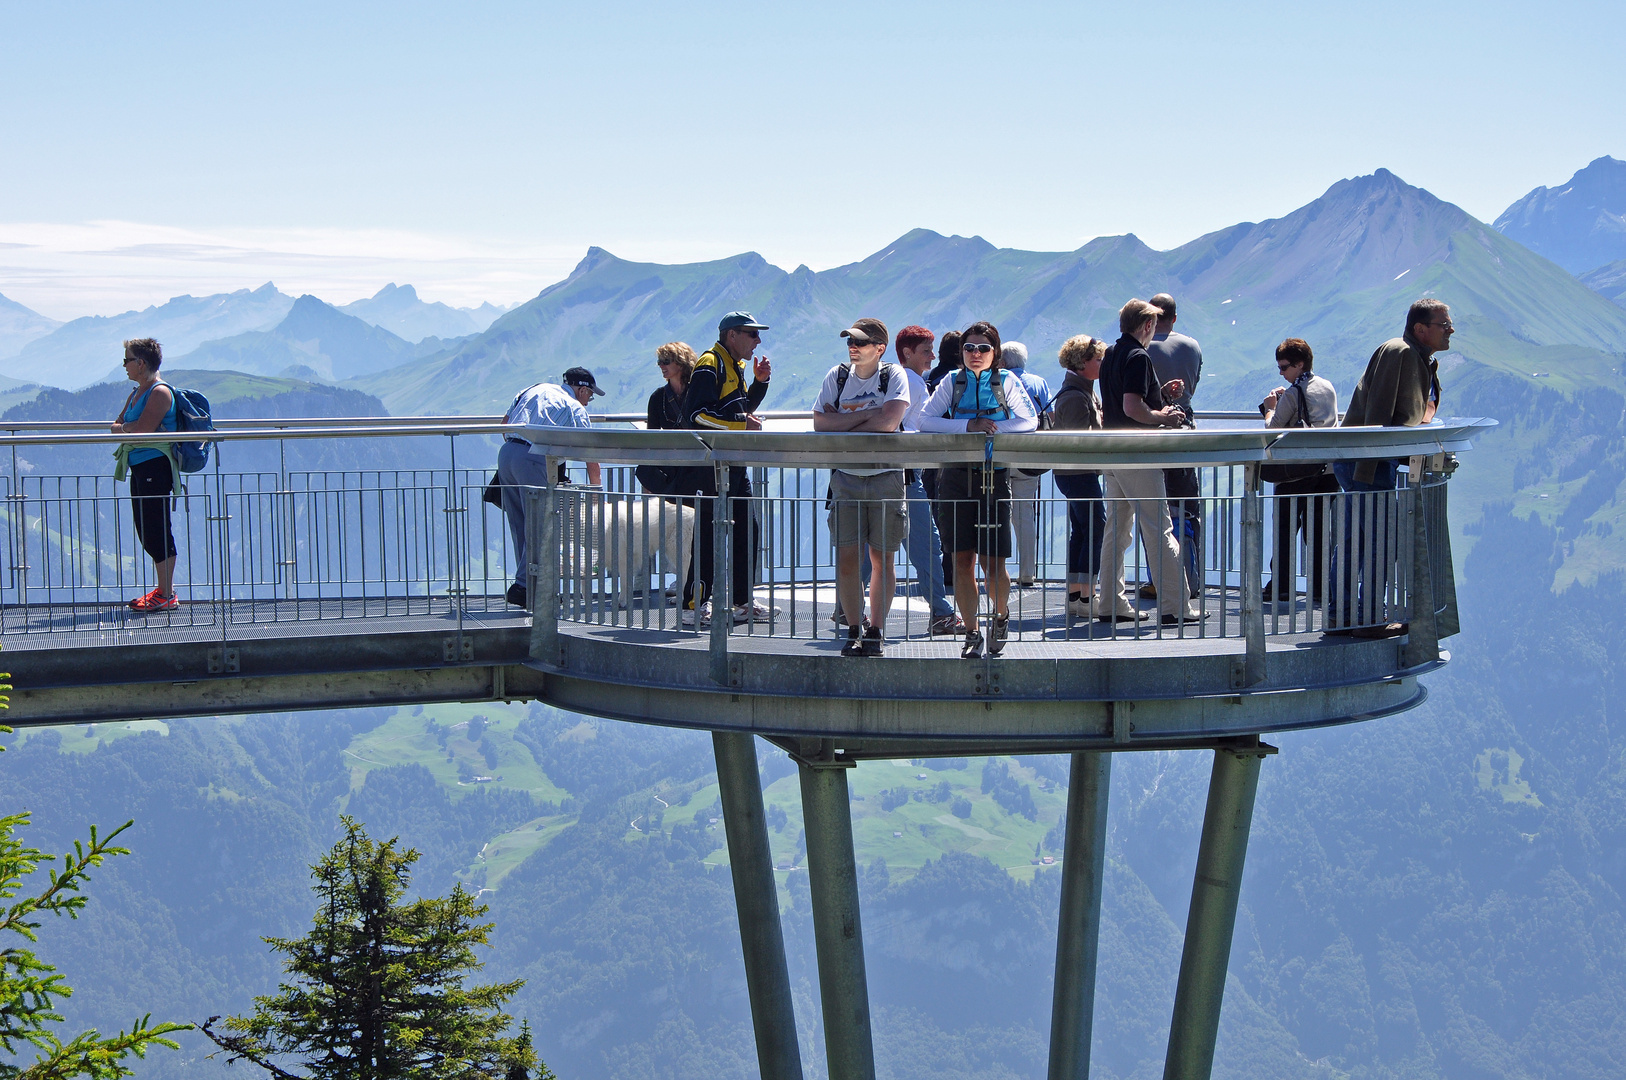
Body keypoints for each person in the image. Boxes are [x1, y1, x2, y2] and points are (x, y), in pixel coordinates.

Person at [918, 321, 1038, 658]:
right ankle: (971, 632)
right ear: (962, 352)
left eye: (983, 348)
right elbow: (925, 420)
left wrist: (994, 429)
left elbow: (1029, 421)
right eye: (969, 348)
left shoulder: (1007, 382)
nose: (975, 354)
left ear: (995, 353)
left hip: (994, 478)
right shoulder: (951, 382)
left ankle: (1000, 617)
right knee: (961, 561)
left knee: (993, 562)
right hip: (955, 478)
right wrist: (969, 426)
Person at [1331, 299, 1451, 638]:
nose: (1451, 330)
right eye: (1444, 324)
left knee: (1357, 540)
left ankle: (1341, 616)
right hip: (1369, 461)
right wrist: (1369, 468)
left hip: (1368, 460)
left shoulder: (1418, 357)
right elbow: (1378, 415)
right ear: (1420, 329)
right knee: (1380, 540)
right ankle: (1368, 619)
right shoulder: (1399, 352)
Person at [813, 318, 911, 656]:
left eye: (860, 343)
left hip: (885, 477)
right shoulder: (837, 376)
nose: (853, 348)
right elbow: (820, 424)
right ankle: (854, 629)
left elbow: (889, 422)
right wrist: (870, 416)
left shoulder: (893, 375)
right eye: (850, 342)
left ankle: (876, 631)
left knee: (883, 558)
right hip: (846, 478)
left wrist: (843, 423)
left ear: (879, 348)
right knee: (847, 558)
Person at [1098, 299, 1198, 625]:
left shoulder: (1113, 353)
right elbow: (1132, 407)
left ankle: (1111, 601)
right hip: (1138, 453)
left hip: (1113, 452)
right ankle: (1176, 606)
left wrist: (1159, 394)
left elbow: (1121, 400)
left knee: (1117, 529)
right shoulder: (1139, 356)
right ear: (1146, 326)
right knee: (1160, 529)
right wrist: (1163, 418)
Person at [684, 311, 774, 626]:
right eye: (752, 334)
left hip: (734, 464)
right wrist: (740, 423)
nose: (758, 340)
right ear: (731, 336)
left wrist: (760, 385)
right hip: (713, 466)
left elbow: (739, 410)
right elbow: (696, 415)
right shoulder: (711, 364)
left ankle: (741, 601)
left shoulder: (732, 365)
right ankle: (693, 605)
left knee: (747, 530)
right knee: (708, 537)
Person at [496, 371, 604, 608]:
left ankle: (530, 585)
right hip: (536, 457)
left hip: (507, 453)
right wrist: (597, 492)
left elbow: (505, 424)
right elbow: (590, 452)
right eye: (590, 397)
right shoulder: (574, 407)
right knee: (542, 523)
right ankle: (525, 586)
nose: (588, 402)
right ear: (583, 390)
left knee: (520, 522)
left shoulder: (534, 388)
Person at [1259, 338, 1340, 603]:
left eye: (1284, 367)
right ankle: (1319, 587)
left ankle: (1280, 585)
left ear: (1299, 364)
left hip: (1296, 471)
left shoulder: (1294, 393)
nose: (1281, 372)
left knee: (1285, 527)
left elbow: (1273, 429)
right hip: (1327, 470)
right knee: (1317, 532)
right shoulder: (1327, 386)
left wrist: (1270, 409)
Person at [896, 326, 961, 635]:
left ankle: (848, 608)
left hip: (895, 474)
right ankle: (940, 611)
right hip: (907, 476)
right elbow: (915, 426)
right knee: (927, 543)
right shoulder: (912, 382)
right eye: (926, 350)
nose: (932, 357)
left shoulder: (898, 378)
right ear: (908, 353)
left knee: (875, 545)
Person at [110, 338, 179, 612]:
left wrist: (126, 428)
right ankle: (163, 590)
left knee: (156, 528)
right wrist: (129, 427)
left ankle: (167, 594)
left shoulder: (159, 393)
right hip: (139, 465)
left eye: (127, 360)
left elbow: (141, 430)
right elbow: (120, 424)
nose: (124, 365)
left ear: (140, 363)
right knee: (145, 528)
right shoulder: (138, 392)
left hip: (155, 466)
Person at [1145, 293, 1203, 599]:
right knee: (1185, 508)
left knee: (1156, 509)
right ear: (1175, 318)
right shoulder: (1192, 346)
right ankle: (1190, 577)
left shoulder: (1144, 350)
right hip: (1185, 428)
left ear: (1149, 319)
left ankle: (1160, 580)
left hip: (1152, 431)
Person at [1051, 335, 1108, 619]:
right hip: (1078, 472)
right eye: (1098, 359)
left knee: (1083, 530)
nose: (1102, 364)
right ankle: (1087, 597)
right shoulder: (1077, 395)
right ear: (1083, 362)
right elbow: (1075, 442)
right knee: (1096, 528)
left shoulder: (1080, 390)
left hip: (1073, 473)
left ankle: (1076, 595)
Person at [1000, 342, 1053, 588]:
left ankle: (998, 570)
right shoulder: (1038, 383)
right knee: (1025, 515)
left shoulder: (997, 381)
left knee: (997, 512)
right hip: (1029, 456)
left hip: (1001, 453)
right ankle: (1028, 571)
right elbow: (1049, 416)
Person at [646, 342, 696, 430]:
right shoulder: (657, 397)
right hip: (669, 444)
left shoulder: (698, 392)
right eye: (659, 362)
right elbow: (652, 434)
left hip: (697, 443)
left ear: (681, 363)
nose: (661, 366)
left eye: (666, 361)